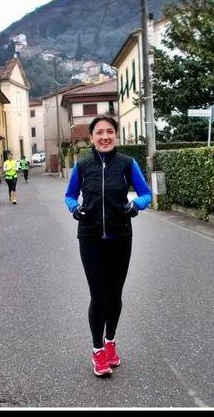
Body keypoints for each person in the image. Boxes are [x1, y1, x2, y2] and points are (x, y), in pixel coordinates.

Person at [64, 115, 152, 377]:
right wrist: (74, 209)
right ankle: (97, 349)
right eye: (99, 132)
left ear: (116, 135)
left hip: (120, 236)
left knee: (115, 295)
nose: (105, 137)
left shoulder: (127, 164)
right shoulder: (82, 165)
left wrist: (136, 205)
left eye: (110, 131)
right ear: (91, 137)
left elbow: (146, 194)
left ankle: (110, 341)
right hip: (90, 237)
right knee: (98, 296)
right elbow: (70, 196)